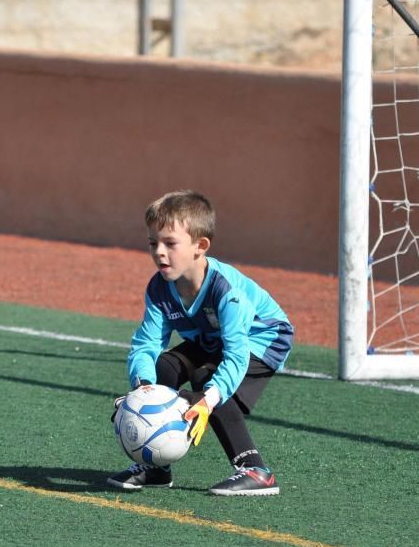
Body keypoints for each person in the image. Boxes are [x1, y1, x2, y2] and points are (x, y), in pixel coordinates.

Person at [107, 190, 293, 496]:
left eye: (170, 243)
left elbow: (235, 356)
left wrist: (207, 401)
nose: (159, 252)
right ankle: (156, 469)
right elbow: (147, 343)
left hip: (263, 338)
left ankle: (255, 470)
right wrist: (141, 389)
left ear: (200, 246)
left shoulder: (226, 291)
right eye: (153, 243)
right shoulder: (159, 287)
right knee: (163, 365)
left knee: (209, 380)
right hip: (212, 338)